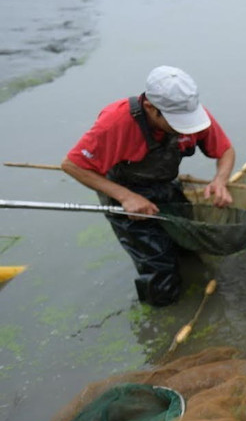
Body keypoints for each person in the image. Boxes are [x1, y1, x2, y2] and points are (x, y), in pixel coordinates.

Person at [62, 66, 235, 306]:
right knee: (158, 266)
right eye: (177, 123)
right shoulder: (115, 122)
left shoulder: (194, 115)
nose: (185, 128)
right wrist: (125, 197)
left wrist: (220, 180)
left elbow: (225, 150)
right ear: (151, 108)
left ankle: (195, 294)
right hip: (125, 191)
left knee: (187, 247)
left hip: (166, 185)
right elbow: (73, 165)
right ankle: (163, 307)